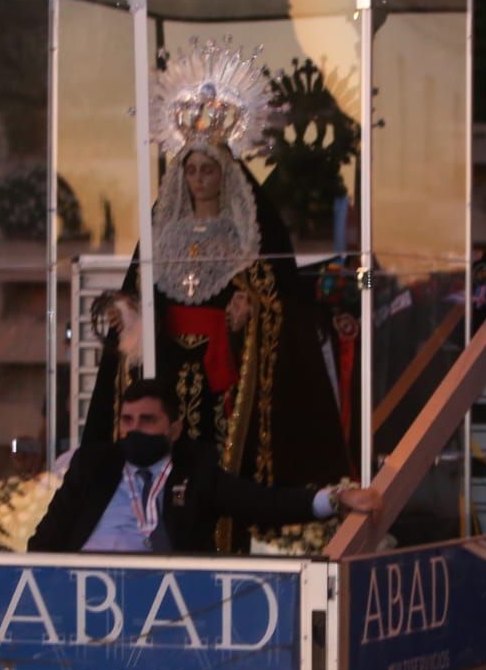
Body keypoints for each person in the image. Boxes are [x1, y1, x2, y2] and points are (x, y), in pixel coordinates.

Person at [80, 39, 352, 495]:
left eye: (208, 169)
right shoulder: (162, 229)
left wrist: (250, 312)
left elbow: (275, 293)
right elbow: (142, 292)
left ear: (225, 173)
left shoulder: (248, 229)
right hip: (167, 360)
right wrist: (128, 317)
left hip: (224, 363)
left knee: (219, 458)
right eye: (192, 170)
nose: (199, 179)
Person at [32, 379, 379, 554]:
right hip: (83, 594)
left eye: (148, 420)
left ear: (174, 429)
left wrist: (335, 499)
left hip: (166, 597)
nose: (135, 430)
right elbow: (45, 540)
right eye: (128, 420)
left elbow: (262, 503)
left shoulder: (195, 468)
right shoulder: (94, 464)